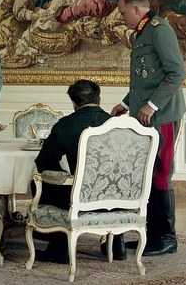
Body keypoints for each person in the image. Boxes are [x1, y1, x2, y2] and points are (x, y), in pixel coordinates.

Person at [111, 0, 186, 256]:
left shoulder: (159, 29)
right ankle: (152, 235)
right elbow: (146, 79)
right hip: (146, 116)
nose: (122, 18)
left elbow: (177, 72)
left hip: (163, 115)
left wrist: (153, 105)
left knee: (161, 174)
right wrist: (126, 104)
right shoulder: (143, 33)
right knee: (149, 174)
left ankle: (167, 238)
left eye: (123, 13)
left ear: (136, 9)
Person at [32, 79, 117, 264]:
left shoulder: (66, 125)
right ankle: (117, 246)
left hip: (82, 197)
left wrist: (67, 178)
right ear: (99, 100)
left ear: (73, 102)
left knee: (41, 181)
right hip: (121, 197)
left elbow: (44, 162)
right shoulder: (118, 124)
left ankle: (59, 245)